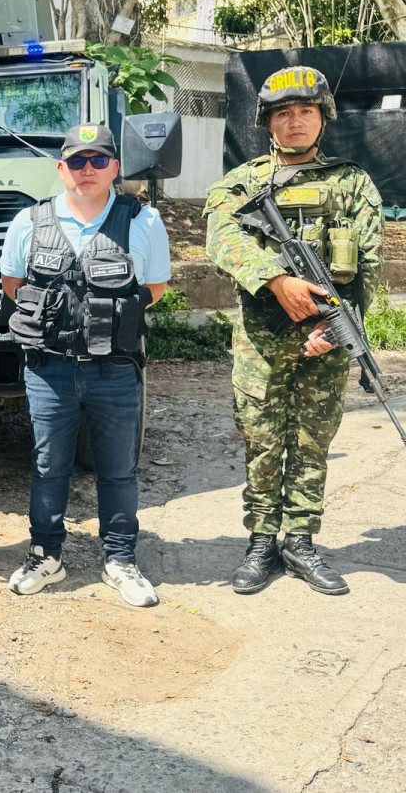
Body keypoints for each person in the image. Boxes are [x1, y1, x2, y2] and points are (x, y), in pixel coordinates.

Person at [204, 66, 382, 596]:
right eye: (284, 113)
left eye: (306, 111)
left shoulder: (351, 182)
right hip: (261, 342)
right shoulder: (241, 183)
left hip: (322, 341)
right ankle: (261, 541)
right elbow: (222, 238)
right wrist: (277, 279)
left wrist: (338, 327)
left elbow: (368, 267)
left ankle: (300, 540)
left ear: (321, 118)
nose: (296, 121)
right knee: (261, 441)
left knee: (311, 442)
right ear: (268, 123)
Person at [1, 124, 169, 608]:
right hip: (49, 368)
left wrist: (106, 317)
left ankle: (120, 559)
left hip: (114, 368)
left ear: (116, 167)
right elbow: (14, 283)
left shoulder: (143, 221)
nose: (88, 170)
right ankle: (46, 555)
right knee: (48, 466)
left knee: (118, 469)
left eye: (99, 160)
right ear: (61, 169)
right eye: (78, 161)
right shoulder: (28, 221)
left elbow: (154, 287)